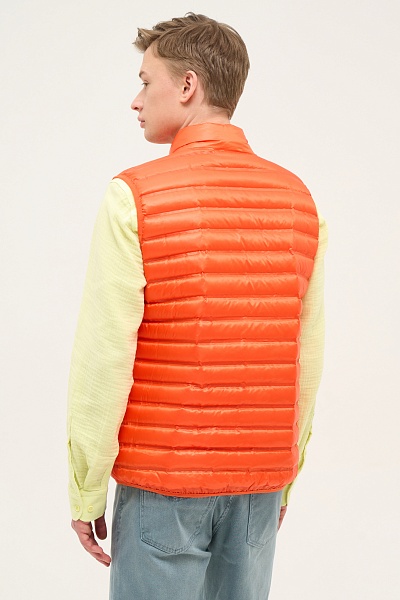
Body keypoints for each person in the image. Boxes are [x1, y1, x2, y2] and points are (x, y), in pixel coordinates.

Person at [67, 12, 327, 600]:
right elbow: (306, 360)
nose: (136, 100)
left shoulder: (134, 196)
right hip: (258, 485)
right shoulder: (300, 201)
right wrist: (284, 477)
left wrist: (86, 487)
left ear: (188, 85)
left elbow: (104, 358)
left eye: (145, 81)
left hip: (162, 484)